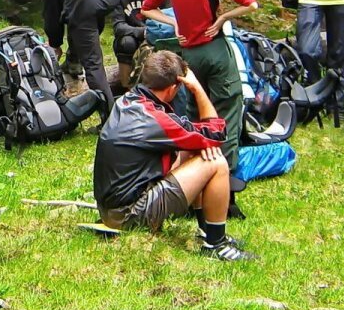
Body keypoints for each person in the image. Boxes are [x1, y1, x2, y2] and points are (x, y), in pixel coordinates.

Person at [93, 51, 253, 260]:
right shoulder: (156, 119)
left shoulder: (128, 101)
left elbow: (199, 137)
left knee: (195, 148)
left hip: (111, 210)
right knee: (216, 162)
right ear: (172, 88)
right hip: (128, 215)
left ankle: (206, 231)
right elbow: (217, 133)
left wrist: (199, 145)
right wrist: (197, 89)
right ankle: (216, 244)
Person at [139, 0, 259, 179]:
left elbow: (146, 8)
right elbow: (250, 3)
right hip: (214, 51)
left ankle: (193, 171)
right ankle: (226, 175)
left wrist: (175, 23)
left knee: (195, 109)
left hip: (188, 57)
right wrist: (223, 17)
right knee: (226, 106)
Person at [41, 0, 125, 108]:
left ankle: (109, 116)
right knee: (80, 23)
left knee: (93, 64)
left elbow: (51, 11)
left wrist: (55, 42)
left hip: (85, 2)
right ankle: (73, 63)